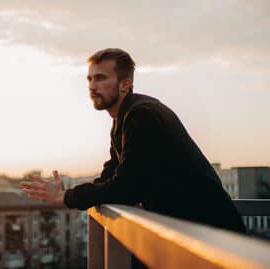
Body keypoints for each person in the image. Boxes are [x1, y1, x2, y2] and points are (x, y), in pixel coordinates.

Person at [20, 47, 246, 243]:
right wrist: (69, 194)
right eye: (89, 79)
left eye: (100, 78)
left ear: (125, 83)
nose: (92, 86)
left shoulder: (142, 116)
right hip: (193, 230)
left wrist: (64, 198)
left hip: (214, 235)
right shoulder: (124, 119)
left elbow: (125, 187)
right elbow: (110, 177)